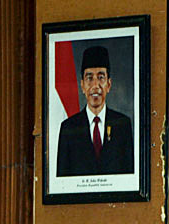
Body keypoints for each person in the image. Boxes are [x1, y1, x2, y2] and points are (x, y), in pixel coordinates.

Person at [56, 45, 134, 176]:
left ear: (109, 84)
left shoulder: (122, 124)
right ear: (82, 86)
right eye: (89, 78)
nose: (95, 86)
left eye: (101, 77)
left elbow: (130, 176)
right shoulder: (68, 128)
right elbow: (62, 181)